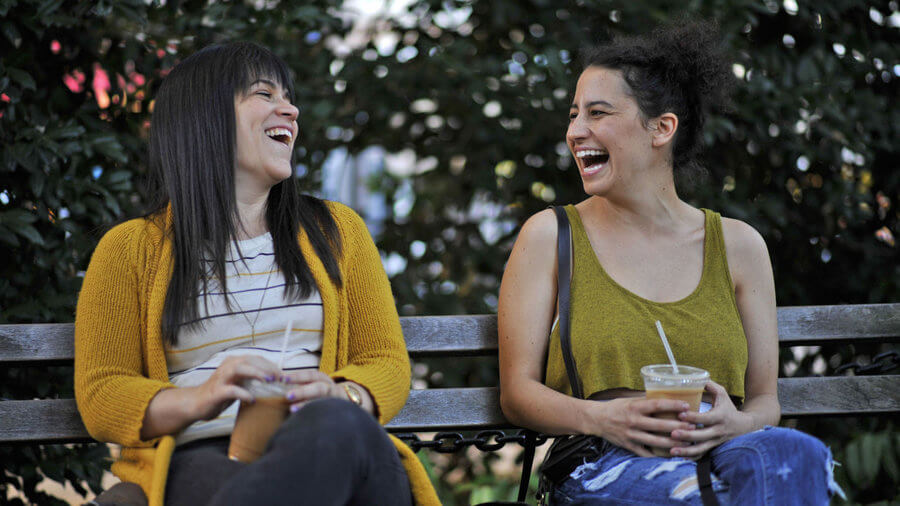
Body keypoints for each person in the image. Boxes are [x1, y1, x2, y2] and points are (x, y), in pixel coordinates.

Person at [74, 41, 439, 506]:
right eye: (265, 94)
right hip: (206, 461)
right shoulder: (129, 250)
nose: (290, 109)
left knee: (337, 425)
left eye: (288, 97)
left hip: (345, 454)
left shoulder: (338, 232)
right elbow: (103, 391)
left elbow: (386, 362)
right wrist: (200, 398)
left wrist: (341, 395)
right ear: (204, 117)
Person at [497, 22, 845, 505]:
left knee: (797, 456)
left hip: (721, 451)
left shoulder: (740, 246)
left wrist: (737, 422)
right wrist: (602, 418)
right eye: (574, 114)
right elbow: (516, 392)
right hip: (603, 460)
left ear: (661, 128)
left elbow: (765, 401)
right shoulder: (551, 236)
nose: (575, 132)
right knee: (699, 495)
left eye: (597, 113)